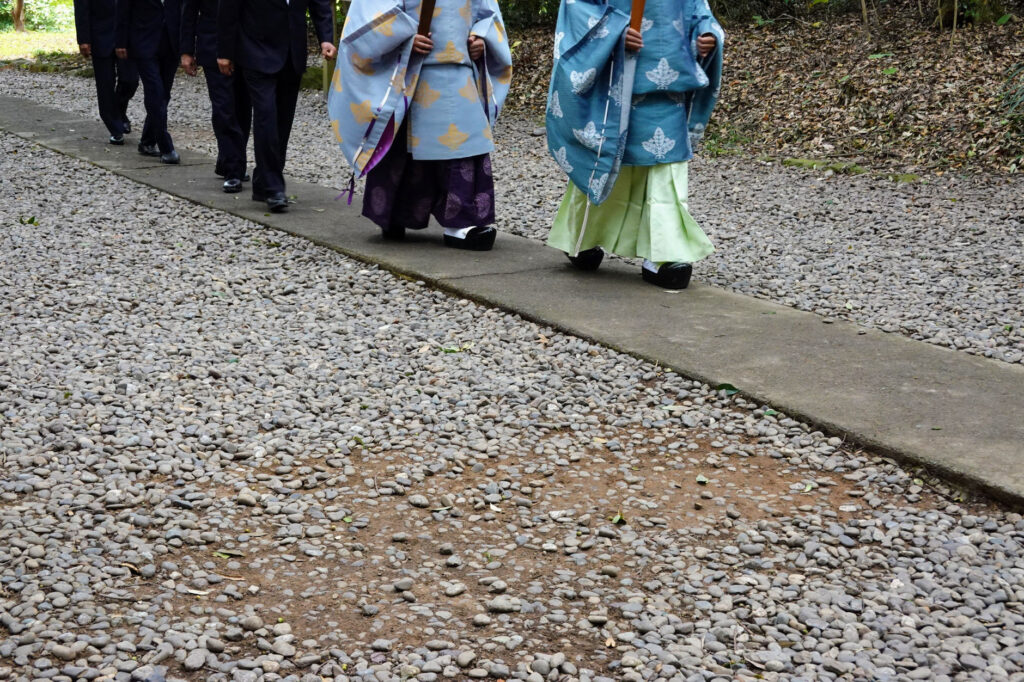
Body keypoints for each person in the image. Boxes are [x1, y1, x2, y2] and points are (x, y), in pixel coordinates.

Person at [545, 0, 724, 289]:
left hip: (671, 90)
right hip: (617, 82)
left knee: (666, 169)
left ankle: (665, 256)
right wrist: (615, 32)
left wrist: (707, 35)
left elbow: (699, 10)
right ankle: (582, 237)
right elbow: (577, 7)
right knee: (604, 158)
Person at [327, 0, 512, 251]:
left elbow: (488, 16)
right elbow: (369, 18)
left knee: (464, 146)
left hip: (460, 71)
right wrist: (403, 40)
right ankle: (395, 214)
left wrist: (481, 39)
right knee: (402, 146)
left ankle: (464, 221)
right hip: (410, 71)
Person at [217, 0, 336, 213]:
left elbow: (319, 3)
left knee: (283, 120)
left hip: (292, 54)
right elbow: (229, 7)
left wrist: (325, 38)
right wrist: (225, 51)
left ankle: (263, 182)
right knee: (266, 116)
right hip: (256, 49)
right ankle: (273, 188)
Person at [180, 0, 252, 193]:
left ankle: (229, 159)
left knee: (243, 107)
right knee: (223, 108)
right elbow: (190, 10)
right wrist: (186, 51)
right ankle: (233, 169)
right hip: (213, 46)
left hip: (246, 47)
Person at [116, 0, 182, 164]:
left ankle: (147, 141)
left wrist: (187, 47)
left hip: (171, 45)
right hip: (143, 43)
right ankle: (166, 147)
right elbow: (123, 10)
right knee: (155, 92)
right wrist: (121, 42)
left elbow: (186, 11)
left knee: (164, 95)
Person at [73, 0, 139, 145]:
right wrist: (83, 38)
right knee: (105, 84)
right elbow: (81, 5)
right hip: (100, 35)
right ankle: (115, 128)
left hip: (128, 36)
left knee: (131, 79)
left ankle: (119, 112)